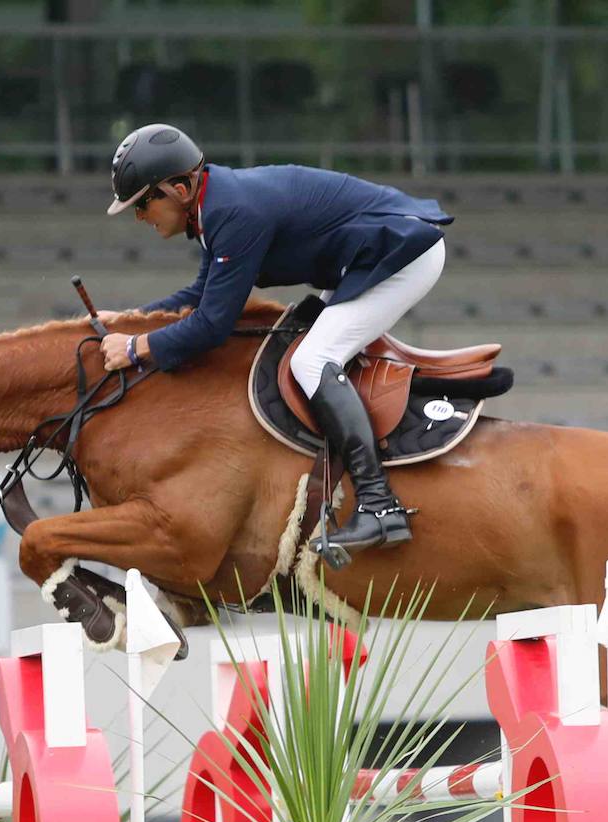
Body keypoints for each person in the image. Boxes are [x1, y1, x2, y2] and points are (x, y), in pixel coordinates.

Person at [100, 123, 452, 564]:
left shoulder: (232, 212)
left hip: (401, 253)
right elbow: (200, 293)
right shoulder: (215, 206)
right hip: (369, 256)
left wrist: (136, 349)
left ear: (180, 187)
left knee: (311, 361)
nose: (140, 216)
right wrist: (132, 320)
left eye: (144, 202)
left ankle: (380, 504)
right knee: (307, 352)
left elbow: (212, 325)